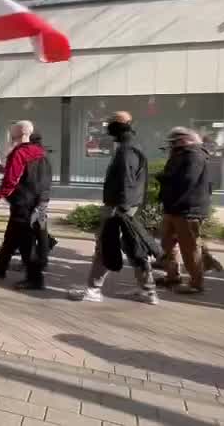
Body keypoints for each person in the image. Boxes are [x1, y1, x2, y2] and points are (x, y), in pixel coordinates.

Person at [69, 112, 160, 304]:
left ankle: (93, 289)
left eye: (111, 124)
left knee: (106, 245)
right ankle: (147, 289)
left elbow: (126, 181)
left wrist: (121, 209)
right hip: (127, 206)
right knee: (133, 246)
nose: (107, 127)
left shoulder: (127, 150)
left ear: (120, 126)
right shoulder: (132, 146)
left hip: (119, 207)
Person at [0, 120, 53, 290]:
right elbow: (36, 177)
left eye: (13, 131)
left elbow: (11, 180)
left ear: (21, 133)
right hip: (37, 199)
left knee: (26, 242)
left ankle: (35, 278)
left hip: (23, 201)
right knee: (11, 237)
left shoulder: (19, 153)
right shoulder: (41, 152)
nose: (10, 134)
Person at [156, 127, 212, 294]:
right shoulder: (181, 154)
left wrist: (163, 177)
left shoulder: (194, 155)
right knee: (167, 244)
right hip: (174, 208)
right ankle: (172, 276)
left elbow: (187, 180)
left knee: (190, 248)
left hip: (188, 209)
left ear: (184, 140)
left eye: (174, 142)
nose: (172, 146)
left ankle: (196, 283)